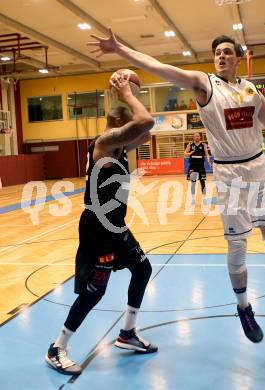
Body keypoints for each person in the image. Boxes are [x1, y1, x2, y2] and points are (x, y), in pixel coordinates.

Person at [88, 31, 265, 344]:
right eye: (217, 52)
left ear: (238, 58)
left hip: (259, 168)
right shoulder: (205, 85)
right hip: (230, 174)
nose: (221, 56)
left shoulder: (251, 91)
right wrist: (118, 47)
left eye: (227, 52)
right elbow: (160, 66)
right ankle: (243, 308)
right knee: (238, 245)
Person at [45, 73, 157, 375]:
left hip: (115, 224)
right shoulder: (104, 143)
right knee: (96, 291)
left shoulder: (119, 147)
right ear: (121, 127)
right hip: (98, 227)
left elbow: (146, 129)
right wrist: (128, 95)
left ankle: (127, 334)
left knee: (143, 268)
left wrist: (131, 92)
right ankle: (57, 348)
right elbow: (145, 122)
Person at [184, 132, 211, 202]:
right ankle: (193, 198)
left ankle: (204, 198)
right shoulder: (190, 145)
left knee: (203, 182)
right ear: (193, 137)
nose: (197, 137)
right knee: (193, 183)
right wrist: (190, 153)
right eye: (195, 136)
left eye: (198, 136)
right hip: (193, 167)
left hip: (201, 166)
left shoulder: (204, 145)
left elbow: (207, 154)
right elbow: (185, 154)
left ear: (200, 137)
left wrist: (208, 160)